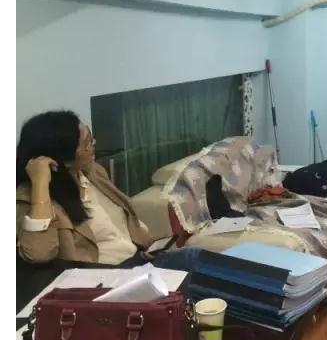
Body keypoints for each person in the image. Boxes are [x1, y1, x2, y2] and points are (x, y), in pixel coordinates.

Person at [16, 110, 200, 271]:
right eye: (87, 142)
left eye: (90, 136)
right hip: (107, 276)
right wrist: (40, 184)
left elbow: (125, 227)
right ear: (63, 157)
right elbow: (38, 254)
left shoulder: (92, 173)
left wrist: (154, 246)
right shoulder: (30, 199)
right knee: (192, 260)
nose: (94, 143)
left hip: (140, 260)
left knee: (195, 257)